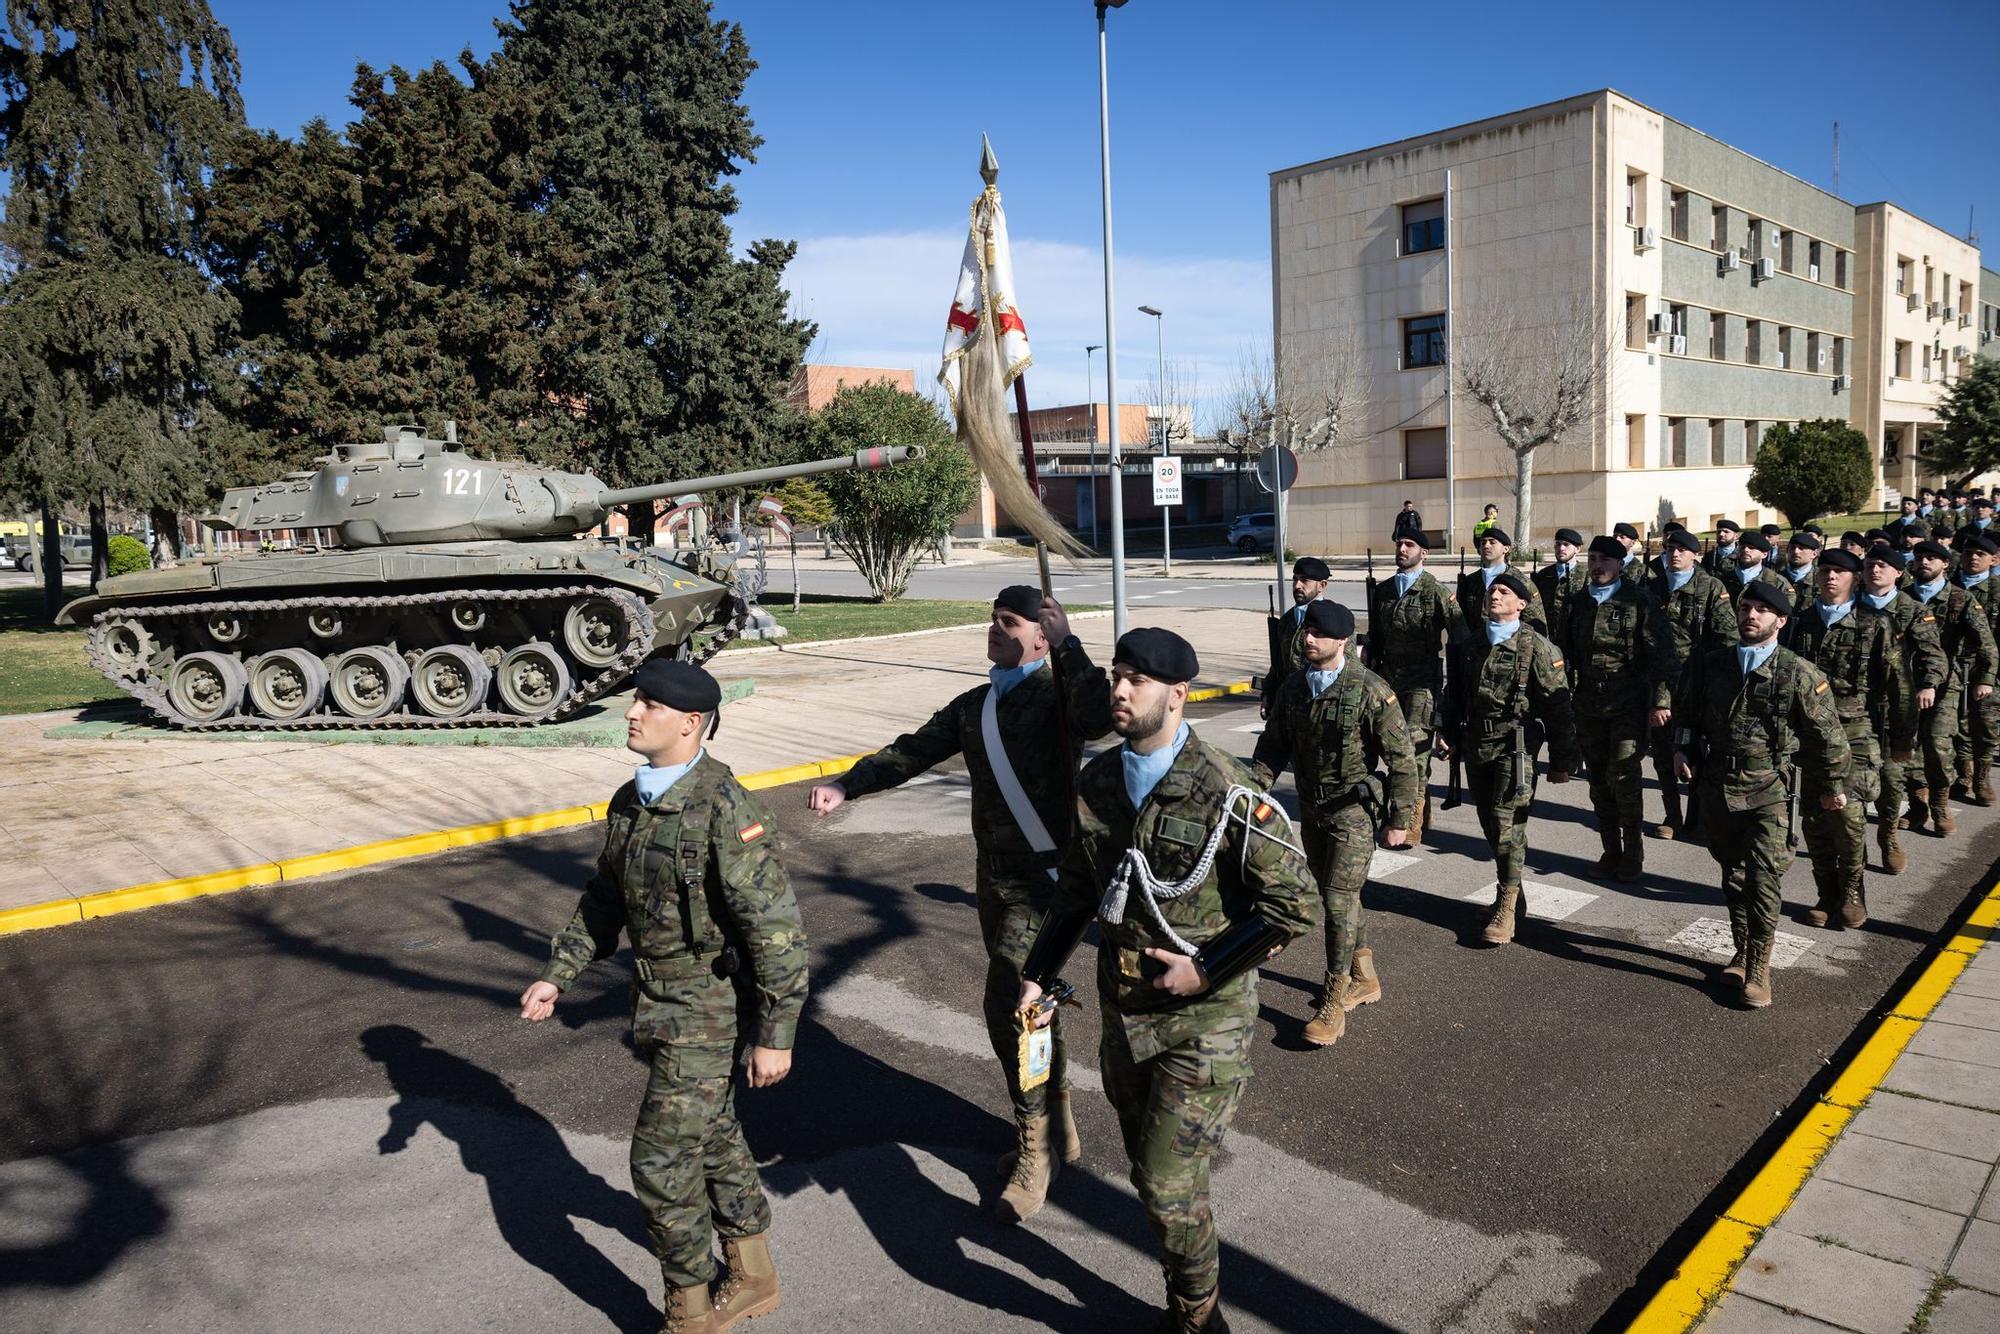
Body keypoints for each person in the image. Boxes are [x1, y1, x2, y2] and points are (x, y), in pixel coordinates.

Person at [1016, 628, 1317, 1333]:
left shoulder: (1228, 789)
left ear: (1177, 695)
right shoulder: (1098, 781)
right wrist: (1037, 975)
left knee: (1164, 1180)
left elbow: (1294, 904)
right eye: (1116, 675)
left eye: (1137, 680)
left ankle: (1198, 1315)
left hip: (1204, 1021)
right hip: (1125, 1014)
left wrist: (1205, 967)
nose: (1119, 691)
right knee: (1147, 1170)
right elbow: (1078, 889)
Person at [805, 586, 1111, 1223]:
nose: (995, 629)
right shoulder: (977, 706)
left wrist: (1070, 644)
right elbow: (912, 751)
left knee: (1012, 1006)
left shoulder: (1059, 696)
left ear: (1040, 636)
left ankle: (1036, 1148)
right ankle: (1057, 1123)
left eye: (1010, 622)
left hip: (1046, 884)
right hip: (993, 881)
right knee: (1030, 1009)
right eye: (992, 619)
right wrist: (847, 785)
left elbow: (1097, 717)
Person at [521, 658, 807, 1334]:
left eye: (649, 705)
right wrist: (559, 973)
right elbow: (604, 900)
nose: (632, 712)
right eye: (636, 701)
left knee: (658, 1159)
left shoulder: (724, 807)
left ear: (690, 723)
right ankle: (754, 1275)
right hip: (655, 1003)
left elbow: (777, 931)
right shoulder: (631, 799)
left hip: (708, 1009)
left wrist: (776, 1035)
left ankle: (690, 1308)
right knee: (714, 1139)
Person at [1674, 581, 1850, 1007]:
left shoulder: (1798, 672)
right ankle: (1742, 949)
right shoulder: (1713, 663)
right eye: (1746, 608)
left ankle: (1759, 967)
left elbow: (1829, 736)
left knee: (1764, 877)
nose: (1751, 615)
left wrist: (1832, 786)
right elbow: (1687, 712)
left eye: (1761, 610)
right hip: (1718, 785)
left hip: (1770, 787)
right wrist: (1682, 748)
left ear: (1781, 621)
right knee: (1733, 874)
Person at [1254, 600, 1419, 1044]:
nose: (1308, 639)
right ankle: (1365, 976)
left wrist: (1401, 819)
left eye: (1319, 634)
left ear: (1342, 641)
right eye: (1307, 631)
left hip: (1352, 813)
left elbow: (1402, 760)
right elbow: (1272, 747)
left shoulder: (1370, 690)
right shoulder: (1294, 687)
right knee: (1339, 896)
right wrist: (1252, 791)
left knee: (1336, 899)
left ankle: (1333, 1000)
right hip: (1312, 810)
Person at [1437, 571, 1579, 944]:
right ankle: (1516, 894)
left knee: (1506, 826)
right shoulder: (1471, 644)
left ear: (1522, 604)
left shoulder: (1538, 648)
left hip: (1515, 748)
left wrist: (1562, 761)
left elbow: (1558, 708)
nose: (1495, 596)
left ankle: (1506, 907)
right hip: (1476, 744)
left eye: (1504, 592)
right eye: (1492, 591)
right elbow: (1455, 695)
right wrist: (1448, 734)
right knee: (1490, 825)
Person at [1786, 549, 1899, 929]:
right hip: (1810, 736)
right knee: (1814, 820)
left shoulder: (1876, 622)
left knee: (1848, 817)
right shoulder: (1801, 622)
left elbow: (1897, 684)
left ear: (1856, 578)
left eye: (1839, 571)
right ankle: (1826, 893)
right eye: (1825, 571)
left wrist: (1900, 741)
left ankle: (1852, 890)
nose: (1830, 577)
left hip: (1856, 733)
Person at [1561, 535, 1680, 882]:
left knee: (1625, 776)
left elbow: (1664, 656)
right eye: (1593, 559)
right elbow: (1564, 654)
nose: (1597, 566)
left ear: (1619, 564)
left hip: (1628, 701)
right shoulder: (1577, 602)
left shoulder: (1639, 600)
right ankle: (1610, 849)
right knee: (1598, 780)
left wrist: (1661, 701)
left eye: (1605, 560)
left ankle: (1633, 852)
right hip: (1588, 703)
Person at [1363, 531, 1460, 838]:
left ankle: (1409, 823)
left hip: (1423, 680)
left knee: (1415, 749)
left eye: (1409, 545)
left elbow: (1460, 636)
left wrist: (1455, 690)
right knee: (1391, 748)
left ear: (1424, 553)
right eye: (1399, 544)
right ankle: (1420, 803)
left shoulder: (1435, 591)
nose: (1402, 549)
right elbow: (1376, 637)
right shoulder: (1384, 590)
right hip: (1389, 679)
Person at [1644, 529, 1736, 839]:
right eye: (1670, 548)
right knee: (1662, 753)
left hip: (1697, 683)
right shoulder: (1652, 587)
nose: (1675, 554)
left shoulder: (1710, 588)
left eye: (1682, 550)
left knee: (1696, 750)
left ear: (1695, 555)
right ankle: (1672, 816)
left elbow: (1727, 638)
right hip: (1658, 683)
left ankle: (1697, 817)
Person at [1861, 544, 1947, 873]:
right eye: (1869, 564)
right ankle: (1852, 844)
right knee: (1848, 777)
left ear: (1898, 573)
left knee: (1891, 776)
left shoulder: (1912, 610)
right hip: (1853, 705)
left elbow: (1933, 654)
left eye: (1882, 565)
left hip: (1895, 707)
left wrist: (1928, 684)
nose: (1874, 570)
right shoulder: (1849, 606)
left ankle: (1888, 835)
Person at [1905, 540, 1997, 838]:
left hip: (1947, 683)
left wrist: (1986, 679)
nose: (1924, 562)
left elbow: (1986, 644)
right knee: (1909, 745)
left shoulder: (1961, 599)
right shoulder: (1903, 597)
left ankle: (1940, 804)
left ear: (1945, 563)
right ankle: (1917, 805)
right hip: (1906, 683)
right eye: (1920, 557)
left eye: (1932, 558)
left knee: (1937, 742)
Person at [1955, 533, 2000, 807]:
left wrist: (1988, 676)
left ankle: (1982, 778)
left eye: (1980, 554)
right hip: (1954, 666)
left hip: (1988, 668)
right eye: (1968, 553)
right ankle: (1964, 774)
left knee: (1985, 724)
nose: (1973, 558)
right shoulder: (1949, 586)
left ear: (1993, 559)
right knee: (1958, 723)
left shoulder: (1997, 590)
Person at [1262, 556, 1332, 715]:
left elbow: (1347, 666)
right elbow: (1278, 665)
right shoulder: (1286, 621)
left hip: (1319, 706)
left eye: (1304, 580)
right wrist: (1268, 694)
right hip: (1289, 706)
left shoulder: (1334, 620)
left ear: (1321, 585)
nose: (1297, 585)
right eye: (1295, 579)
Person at [1457, 523, 1546, 639]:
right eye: (1483, 543)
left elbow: (1536, 624)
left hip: (1512, 645)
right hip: (1477, 646)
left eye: (1492, 542)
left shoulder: (1521, 581)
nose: (1486, 546)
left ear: (1506, 548)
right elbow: (1459, 622)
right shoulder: (1469, 581)